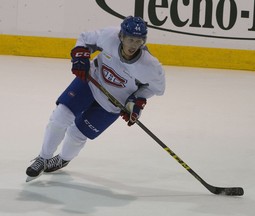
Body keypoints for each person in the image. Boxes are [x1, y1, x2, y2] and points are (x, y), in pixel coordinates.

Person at [25, 16, 166, 181]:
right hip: (91, 82)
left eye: (138, 41)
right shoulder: (109, 36)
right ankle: (43, 158)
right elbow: (85, 39)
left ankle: (62, 159)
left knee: (77, 134)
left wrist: (137, 101)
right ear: (121, 36)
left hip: (113, 102)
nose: (133, 45)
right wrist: (81, 56)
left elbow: (156, 89)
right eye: (130, 39)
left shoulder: (150, 66)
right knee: (60, 116)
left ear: (144, 41)